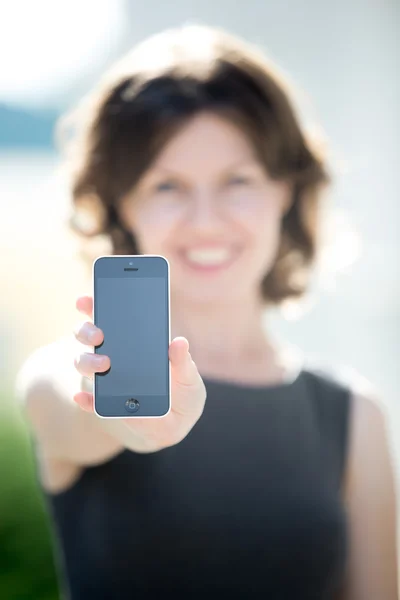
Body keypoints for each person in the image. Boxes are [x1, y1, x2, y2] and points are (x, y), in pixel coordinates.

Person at [16, 23, 398, 599]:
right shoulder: (63, 379)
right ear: (123, 204)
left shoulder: (352, 416)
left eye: (236, 180)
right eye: (167, 186)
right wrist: (134, 422)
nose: (204, 219)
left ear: (285, 190)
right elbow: (90, 419)